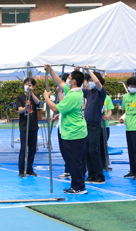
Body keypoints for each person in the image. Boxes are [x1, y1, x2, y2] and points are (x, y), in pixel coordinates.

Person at [44, 65, 88, 194]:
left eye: (69, 78)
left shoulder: (72, 96)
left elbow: (56, 108)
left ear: (74, 81)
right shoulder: (75, 91)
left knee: (75, 162)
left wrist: (46, 98)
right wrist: (51, 70)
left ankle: (79, 187)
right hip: (77, 131)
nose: (67, 80)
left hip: (74, 133)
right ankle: (76, 185)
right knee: (75, 161)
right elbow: (59, 82)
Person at [82, 66, 107, 184]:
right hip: (86, 125)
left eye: (91, 80)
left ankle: (100, 175)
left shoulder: (101, 93)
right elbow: (78, 88)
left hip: (94, 126)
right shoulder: (89, 93)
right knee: (86, 151)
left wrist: (88, 71)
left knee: (93, 151)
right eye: (89, 81)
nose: (90, 82)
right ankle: (91, 174)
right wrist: (79, 72)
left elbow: (96, 82)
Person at [16, 77, 40, 177]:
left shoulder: (35, 96)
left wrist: (32, 94)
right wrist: (25, 107)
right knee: (23, 149)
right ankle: (21, 171)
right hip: (24, 127)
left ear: (33, 86)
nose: (27, 86)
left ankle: (30, 169)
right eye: (25, 84)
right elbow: (19, 109)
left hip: (33, 126)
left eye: (29, 84)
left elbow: (38, 102)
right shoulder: (20, 97)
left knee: (33, 149)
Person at [52, 74, 72, 180]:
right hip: (61, 125)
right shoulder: (65, 93)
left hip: (68, 126)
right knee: (63, 149)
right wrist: (58, 115)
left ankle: (72, 170)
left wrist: (59, 93)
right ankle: (67, 169)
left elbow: (62, 105)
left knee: (69, 150)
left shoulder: (70, 93)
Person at [100, 88, 114, 169]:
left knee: (104, 145)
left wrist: (108, 116)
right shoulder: (93, 96)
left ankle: (104, 163)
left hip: (105, 126)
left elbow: (110, 110)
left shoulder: (107, 98)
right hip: (95, 125)